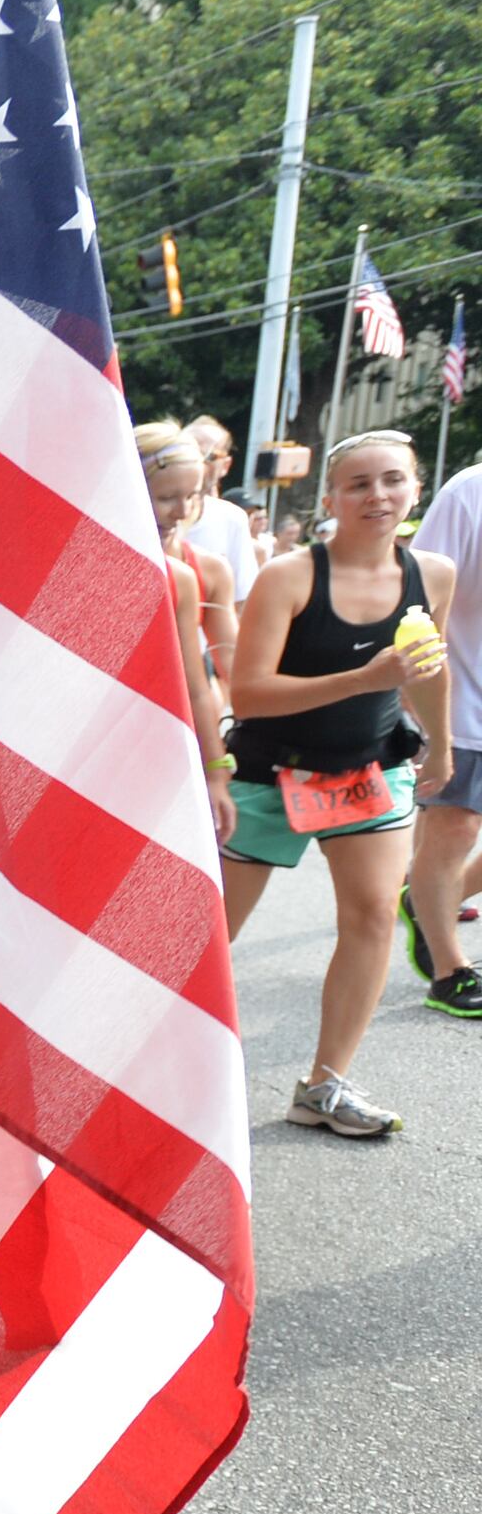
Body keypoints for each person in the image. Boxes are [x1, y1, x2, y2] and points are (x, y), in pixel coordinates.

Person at [218, 428, 457, 1135]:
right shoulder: (290, 576)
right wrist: (364, 677)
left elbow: (428, 667)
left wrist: (439, 746)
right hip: (270, 774)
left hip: (372, 767)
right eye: (359, 483)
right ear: (330, 497)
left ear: (414, 490)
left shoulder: (432, 574)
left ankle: (324, 1086)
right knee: (210, 934)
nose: (377, 495)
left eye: (393, 480)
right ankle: (140, 1064)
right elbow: (251, 692)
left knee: (375, 916)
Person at [401, 453, 482, 1017]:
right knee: (456, 828)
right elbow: (416, 595)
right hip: (466, 696)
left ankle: (427, 897)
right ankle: (450, 971)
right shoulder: (468, 494)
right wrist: (418, 702)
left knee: (447, 849)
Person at [139, 425, 241, 847]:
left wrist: (219, 764)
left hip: (182, 729)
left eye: (194, 496)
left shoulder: (203, 572)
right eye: (166, 498)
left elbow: (227, 668)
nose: (181, 511)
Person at [185, 415, 261, 602]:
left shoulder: (232, 519)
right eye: (188, 451)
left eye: (209, 456)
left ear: (225, 466)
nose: (198, 462)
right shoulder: (144, 512)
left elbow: (241, 600)